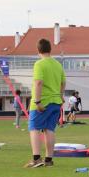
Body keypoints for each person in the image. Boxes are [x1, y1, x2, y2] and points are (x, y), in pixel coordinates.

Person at [25, 39, 65, 168]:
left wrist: (37, 101)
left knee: (34, 128)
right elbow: (63, 82)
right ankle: (49, 159)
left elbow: (38, 83)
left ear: (38, 50)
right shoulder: (58, 64)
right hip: (56, 102)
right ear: (50, 49)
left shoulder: (39, 64)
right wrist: (60, 95)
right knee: (50, 130)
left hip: (43, 101)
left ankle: (36, 159)